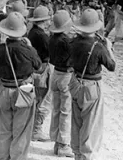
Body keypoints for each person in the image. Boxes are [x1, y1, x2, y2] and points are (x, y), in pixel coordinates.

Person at [0, 12, 42, 160]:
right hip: (23, 90)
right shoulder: (26, 49)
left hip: (3, 88)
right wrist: (30, 47)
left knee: (3, 129)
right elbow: (38, 66)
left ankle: (2, 156)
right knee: (21, 130)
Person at [70, 9, 115, 160]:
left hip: (75, 82)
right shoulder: (98, 47)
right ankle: (86, 156)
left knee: (76, 121)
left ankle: (77, 153)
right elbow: (112, 66)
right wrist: (108, 47)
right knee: (91, 124)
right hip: (91, 86)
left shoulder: (73, 42)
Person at [49, 10, 74, 157]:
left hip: (56, 73)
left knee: (56, 110)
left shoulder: (52, 38)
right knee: (66, 111)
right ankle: (64, 144)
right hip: (66, 75)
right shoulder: (66, 41)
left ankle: (57, 142)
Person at [27, 5, 52, 141]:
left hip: (36, 67)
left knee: (37, 98)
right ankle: (36, 130)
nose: (49, 21)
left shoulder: (33, 32)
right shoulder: (41, 35)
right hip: (42, 68)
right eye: (48, 19)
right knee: (43, 100)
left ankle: (33, 128)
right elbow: (50, 51)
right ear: (44, 20)